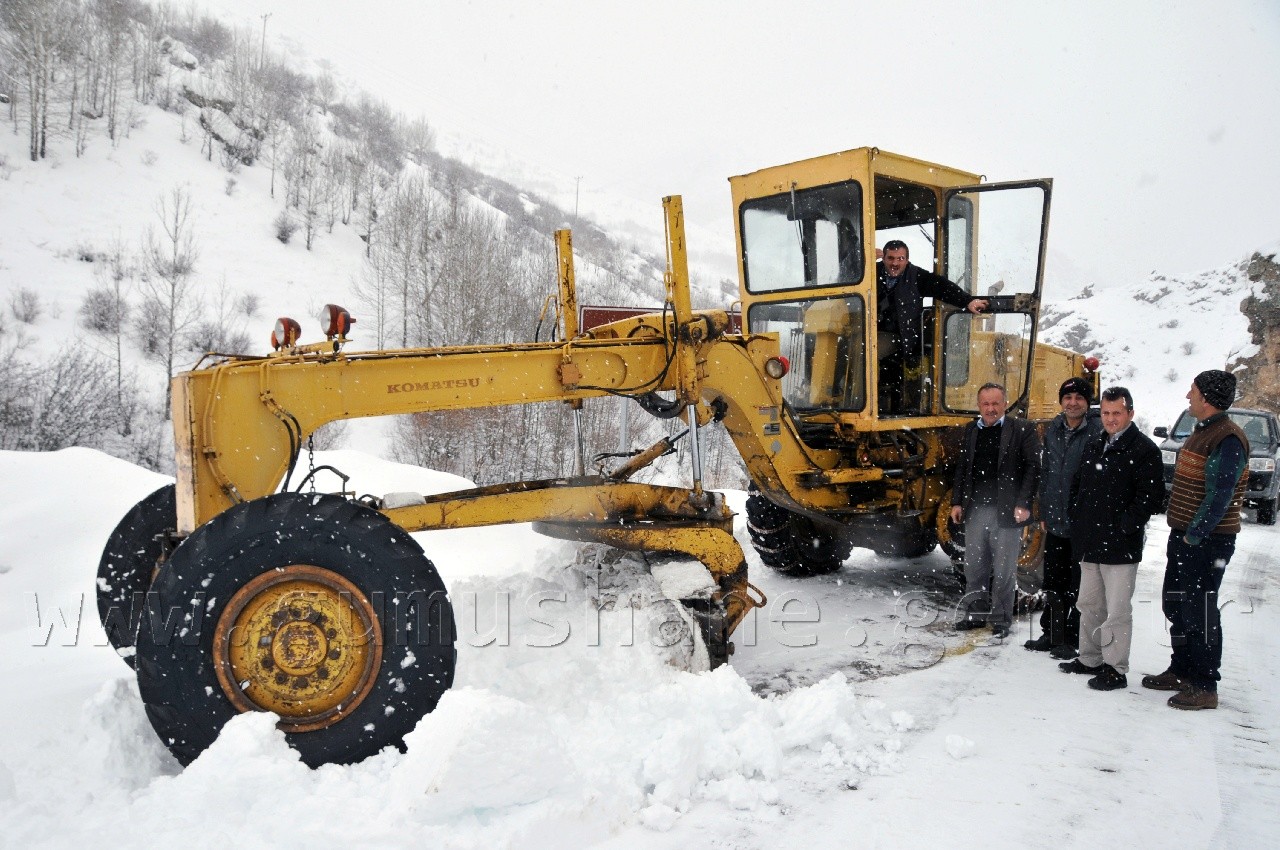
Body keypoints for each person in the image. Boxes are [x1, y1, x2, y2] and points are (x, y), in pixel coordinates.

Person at [1142, 370, 1249, 710]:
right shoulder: (1203, 432)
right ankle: (1182, 669)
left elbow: (1221, 495)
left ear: (1206, 397)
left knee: (1200, 611)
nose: (1188, 396)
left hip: (1206, 542)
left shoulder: (1227, 438)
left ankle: (1204, 684)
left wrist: (1195, 535)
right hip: (1186, 537)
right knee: (1176, 604)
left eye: (1192, 391)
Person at [1056, 387, 1164, 690]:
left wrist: (1124, 525)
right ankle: (1089, 658)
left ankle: (1115, 668)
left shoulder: (1144, 450)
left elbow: (1151, 497)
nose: (1111, 419)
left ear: (1130, 413)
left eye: (1117, 413)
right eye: (1105, 413)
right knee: (1089, 605)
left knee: (1117, 611)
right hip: (1090, 542)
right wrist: (1077, 517)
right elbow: (1078, 485)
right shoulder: (1095, 444)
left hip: (1120, 546)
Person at [949, 382, 1040, 639]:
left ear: (1005, 404)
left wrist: (1023, 504)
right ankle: (975, 615)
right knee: (974, 568)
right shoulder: (971, 431)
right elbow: (963, 468)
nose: (990, 408)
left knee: (1003, 570)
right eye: (986, 404)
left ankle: (1001, 620)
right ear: (979, 406)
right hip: (976, 510)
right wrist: (957, 502)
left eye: (995, 403)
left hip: (1008, 511)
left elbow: (1033, 467)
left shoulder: (1022, 430)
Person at [1025, 377, 1102, 657]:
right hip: (1055, 519)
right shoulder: (1054, 428)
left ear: (1087, 402)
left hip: (1082, 524)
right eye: (1067, 398)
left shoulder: (1097, 431)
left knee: (1078, 585)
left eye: (1078, 398)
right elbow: (1047, 474)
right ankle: (1052, 634)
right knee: (1054, 582)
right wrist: (1043, 510)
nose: (1072, 403)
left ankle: (1072, 638)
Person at [877, 241, 988, 413]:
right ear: (882, 258)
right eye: (890, 258)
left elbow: (941, 287)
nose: (895, 263)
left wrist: (967, 301)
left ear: (907, 260)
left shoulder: (916, 276)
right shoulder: (872, 273)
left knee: (868, 351)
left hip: (903, 338)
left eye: (900, 258)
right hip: (873, 332)